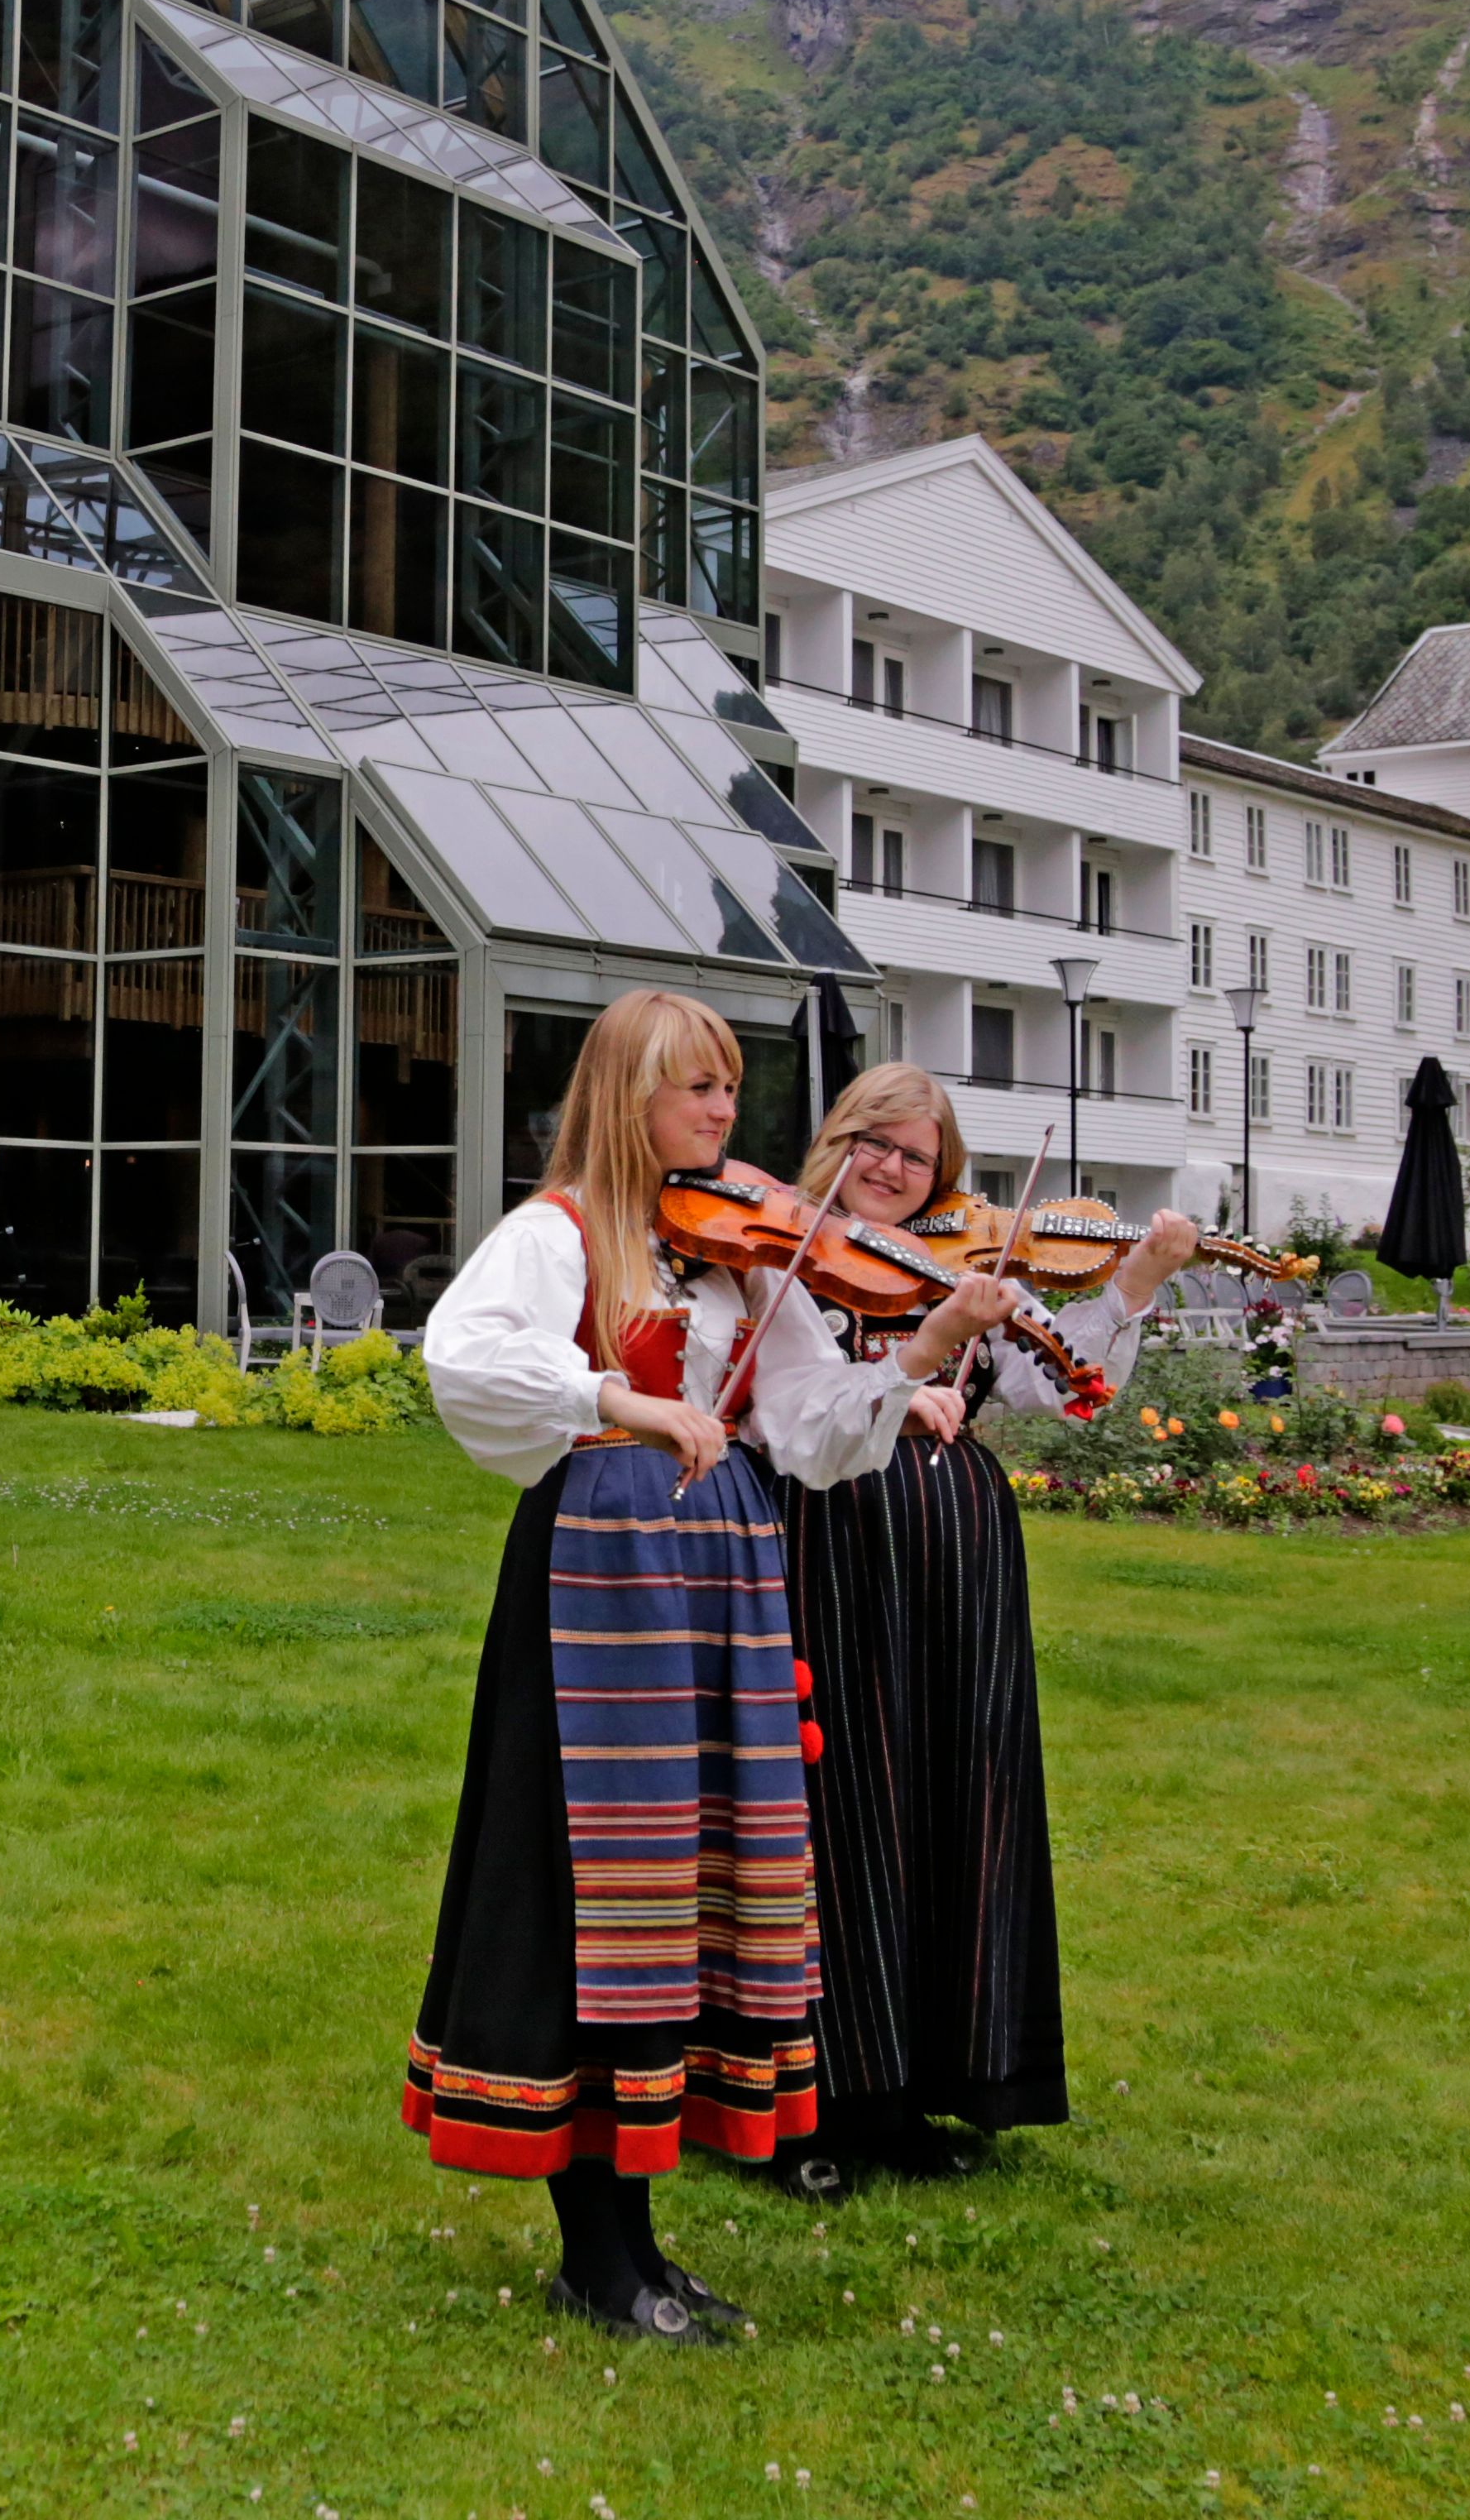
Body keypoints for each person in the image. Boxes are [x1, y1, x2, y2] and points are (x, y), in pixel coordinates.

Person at [406, 992, 1020, 2342]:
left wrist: (925, 1343)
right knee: (600, 1896)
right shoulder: (563, 1232)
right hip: (601, 1579)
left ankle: (637, 2244)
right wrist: (613, 1397)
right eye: (697, 1089)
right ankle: (599, 2252)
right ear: (629, 1098)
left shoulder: (741, 1260)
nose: (723, 1115)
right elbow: (464, 1358)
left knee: (688, 1892)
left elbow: (805, 1425)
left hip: (725, 1570)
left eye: (731, 1091)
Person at [752, 1064, 1199, 2197]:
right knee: (841, 1810)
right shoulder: (784, 1260)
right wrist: (901, 1384)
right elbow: (783, 1408)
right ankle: (811, 2106)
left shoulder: (967, 1263)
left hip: (957, 1560)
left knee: (956, 1807)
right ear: (838, 1143)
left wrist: (1137, 1280)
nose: (894, 1171)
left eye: (918, 1156)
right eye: (877, 1146)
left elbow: (1071, 1388)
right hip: (833, 1553)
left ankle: (918, 2090)